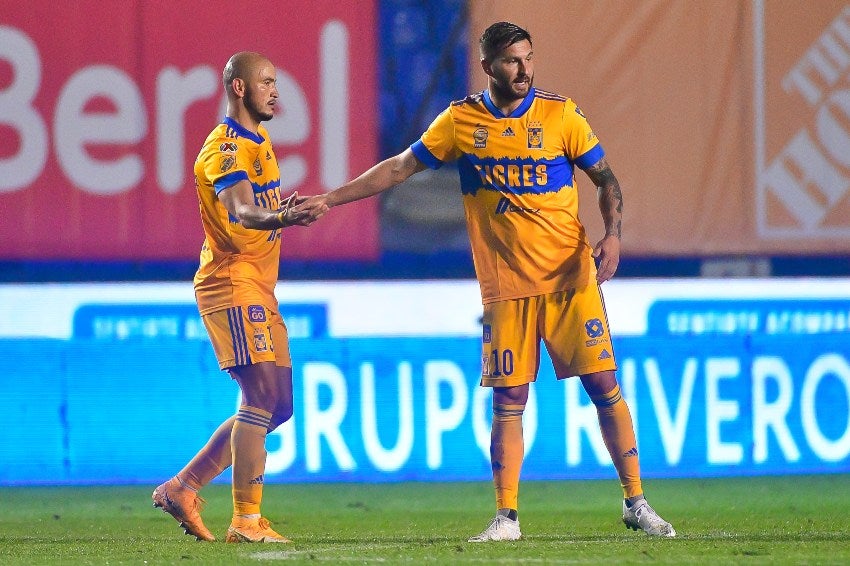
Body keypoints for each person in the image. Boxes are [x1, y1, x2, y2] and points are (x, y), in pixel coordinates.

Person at [309, 22, 676, 541]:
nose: (524, 69)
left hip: (571, 281)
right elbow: (398, 169)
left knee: (605, 388)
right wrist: (331, 198)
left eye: (529, 57)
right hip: (506, 289)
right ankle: (507, 518)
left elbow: (606, 179)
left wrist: (613, 234)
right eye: (511, 61)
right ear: (487, 66)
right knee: (509, 401)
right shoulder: (460, 121)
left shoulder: (561, 115)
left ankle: (636, 502)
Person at [152, 51, 327, 543]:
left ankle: (182, 488)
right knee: (261, 396)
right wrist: (283, 218)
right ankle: (246, 520)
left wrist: (281, 213)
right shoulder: (225, 150)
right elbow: (242, 211)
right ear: (240, 88)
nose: (276, 90)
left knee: (280, 404)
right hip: (230, 282)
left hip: (257, 284)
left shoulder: (260, 141)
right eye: (267, 82)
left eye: (277, 81)